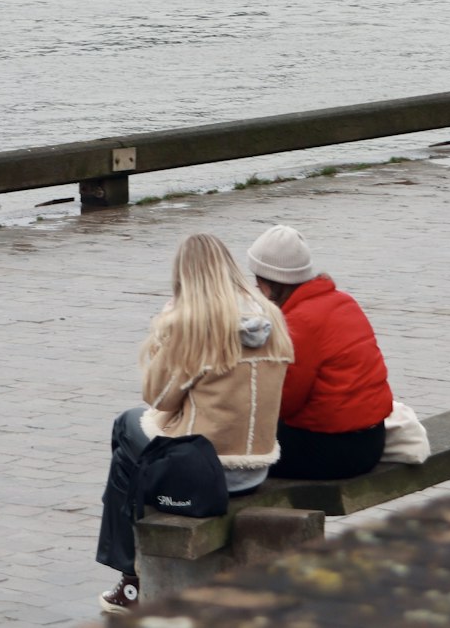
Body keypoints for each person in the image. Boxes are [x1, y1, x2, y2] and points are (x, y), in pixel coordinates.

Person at [96, 232, 293, 614]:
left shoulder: (196, 324)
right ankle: (131, 581)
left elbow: (157, 396)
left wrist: (164, 331)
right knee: (131, 454)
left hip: (207, 475)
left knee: (126, 428)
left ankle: (130, 581)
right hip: (256, 468)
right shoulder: (271, 317)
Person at [246, 225, 392, 481]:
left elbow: (283, 404)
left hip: (332, 453)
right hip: (372, 440)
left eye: (258, 284)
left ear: (270, 284)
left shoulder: (297, 323)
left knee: (232, 449)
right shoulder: (343, 301)